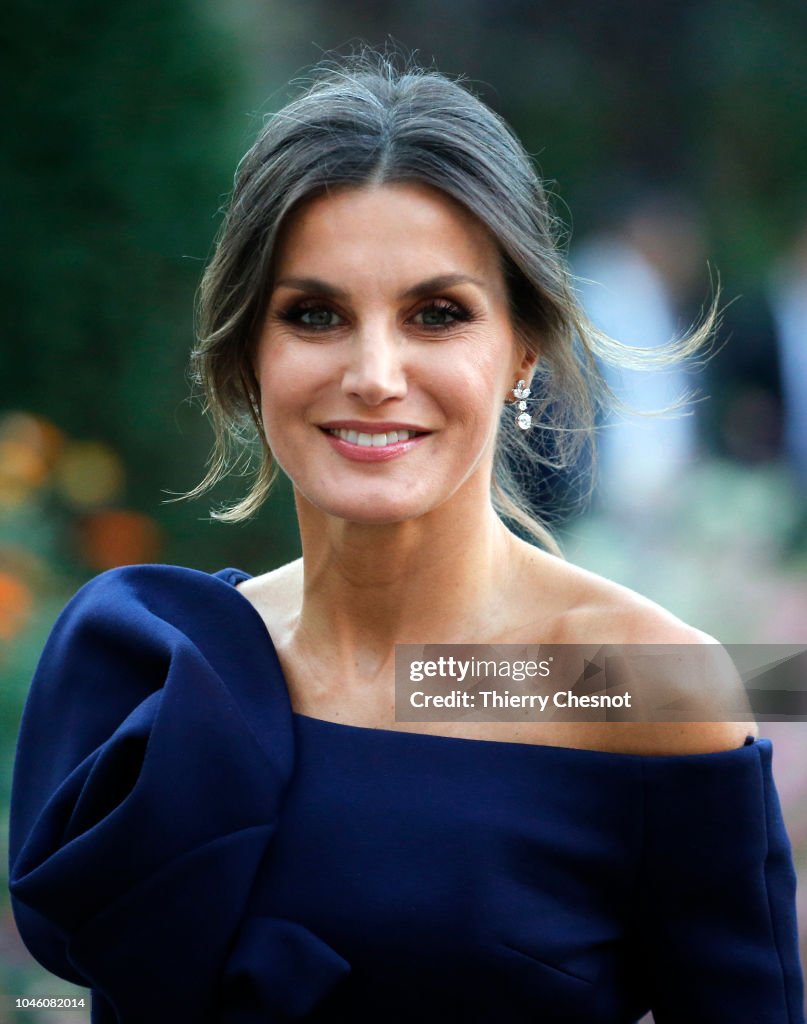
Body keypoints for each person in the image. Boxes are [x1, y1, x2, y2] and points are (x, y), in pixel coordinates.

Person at [8, 51, 804, 1023]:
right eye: (314, 314)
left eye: (436, 314)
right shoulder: (163, 664)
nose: (376, 371)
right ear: (248, 355)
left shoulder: (637, 678)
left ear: (522, 349)